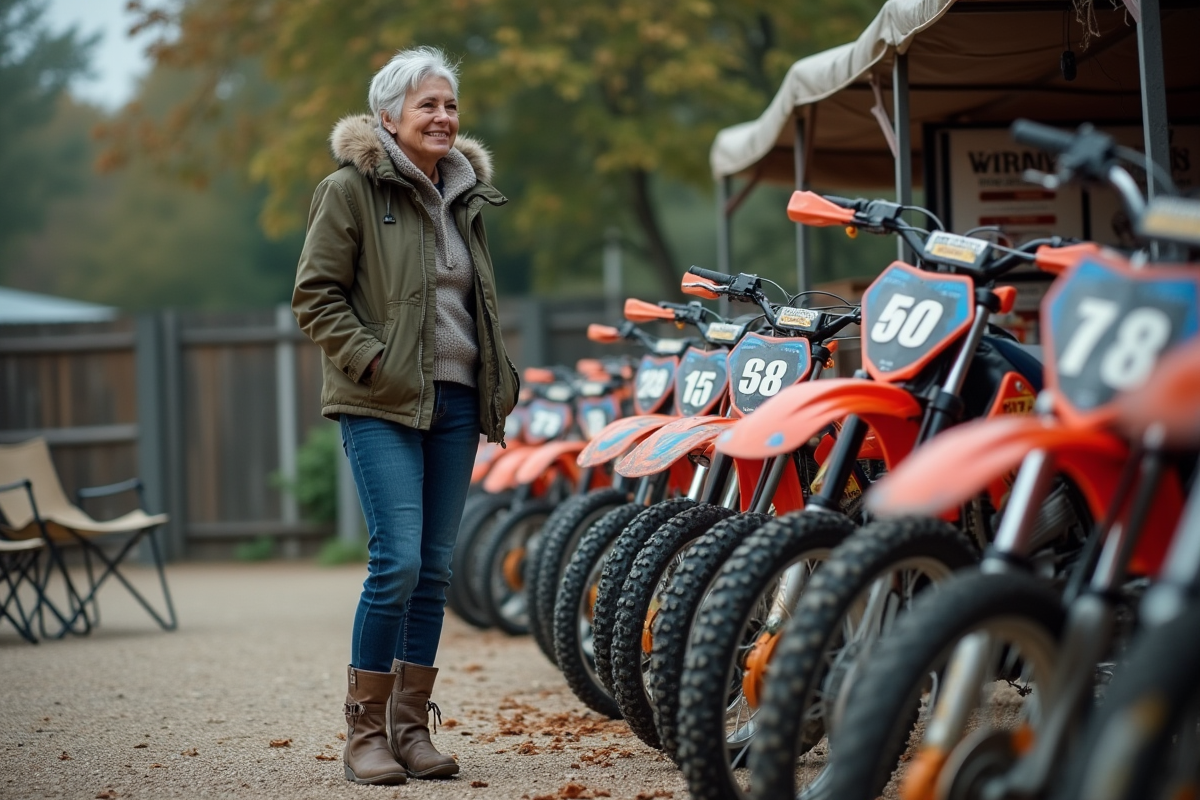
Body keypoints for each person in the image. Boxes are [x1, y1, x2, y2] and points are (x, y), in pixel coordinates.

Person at [292, 46, 519, 785]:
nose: (444, 117)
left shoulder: (465, 195)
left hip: (455, 402)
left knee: (436, 571)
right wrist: (372, 361)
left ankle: (411, 729)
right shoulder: (349, 190)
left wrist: (497, 374)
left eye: (451, 105)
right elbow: (315, 295)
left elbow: (469, 301)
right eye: (428, 105)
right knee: (399, 561)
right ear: (388, 116)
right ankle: (363, 736)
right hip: (382, 400)